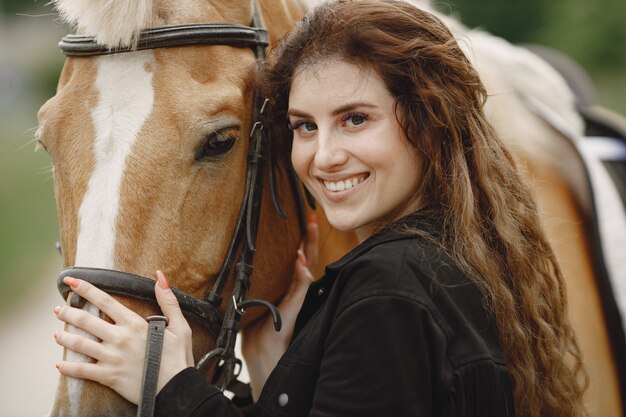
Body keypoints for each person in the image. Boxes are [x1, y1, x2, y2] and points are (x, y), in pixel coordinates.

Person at [53, 0, 587, 416]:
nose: (324, 157)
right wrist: (277, 375)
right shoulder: (446, 258)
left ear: (426, 121)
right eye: (305, 126)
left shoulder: (391, 290)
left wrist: (172, 389)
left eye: (355, 119)